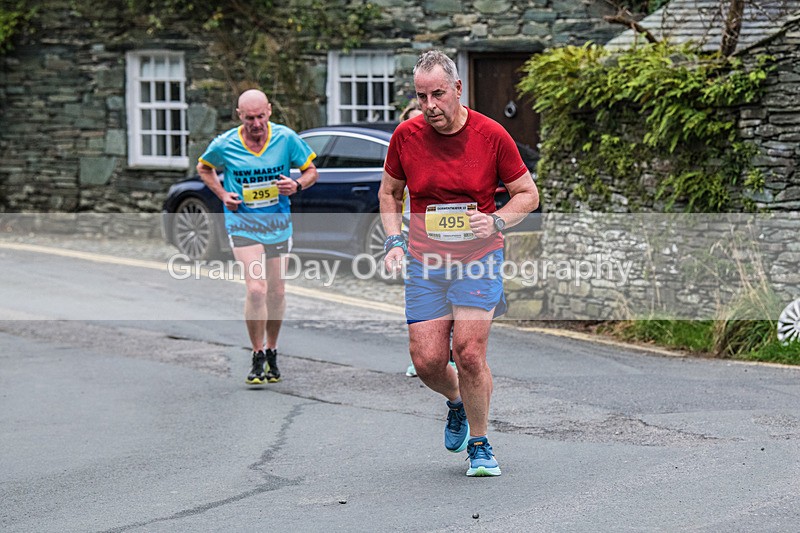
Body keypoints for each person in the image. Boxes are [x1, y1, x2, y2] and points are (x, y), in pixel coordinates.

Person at [379, 50, 539, 477]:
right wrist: (393, 240)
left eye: (438, 94)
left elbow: (528, 194)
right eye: (421, 97)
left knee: (468, 353)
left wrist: (496, 220)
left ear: (457, 89)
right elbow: (390, 193)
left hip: (477, 258)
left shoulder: (491, 135)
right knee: (428, 361)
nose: (430, 105)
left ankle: (480, 444)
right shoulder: (406, 136)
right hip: (425, 261)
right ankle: (457, 402)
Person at [197, 89, 318, 385]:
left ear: (269, 111)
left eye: (260, 117)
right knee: (256, 290)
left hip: (278, 224)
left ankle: (272, 348)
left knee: (277, 293)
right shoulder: (225, 144)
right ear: (239, 115)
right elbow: (204, 168)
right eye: (249, 118)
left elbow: (311, 171)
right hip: (243, 224)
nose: (256, 124)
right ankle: (257, 353)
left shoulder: (286, 138)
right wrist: (223, 194)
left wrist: (297, 185)